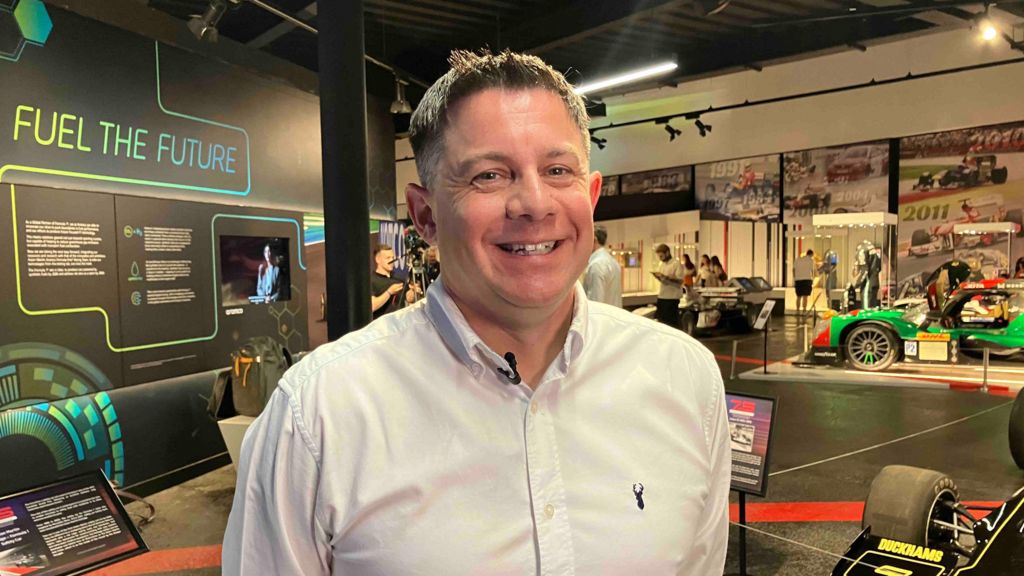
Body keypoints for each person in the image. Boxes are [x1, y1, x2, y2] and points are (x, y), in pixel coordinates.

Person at [223, 49, 729, 575]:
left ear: (591, 195)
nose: (534, 203)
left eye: (558, 170)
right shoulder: (318, 417)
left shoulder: (684, 380)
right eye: (489, 176)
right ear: (425, 215)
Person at [583, 225, 622, 307]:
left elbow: (595, 303)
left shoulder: (596, 266)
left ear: (594, 240)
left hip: (601, 318)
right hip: (612, 316)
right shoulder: (613, 262)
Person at [652, 243, 685, 327]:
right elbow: (663, 280)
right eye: (659, 257)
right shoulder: (662, 264)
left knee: (671, 323)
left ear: (667, 253)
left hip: (672, 297)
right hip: (662, 296)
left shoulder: (676, 264)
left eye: (661, 256)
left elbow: (680, 281)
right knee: (661, 321)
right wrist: (659, 277)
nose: (660, 259)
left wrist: (668, 278)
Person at [369, 243, 405, 319]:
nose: (392, 260)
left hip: (399, 326)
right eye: (388, 258)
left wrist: (412, 292)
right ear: (377, 259)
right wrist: (389, 292)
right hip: (381, 328)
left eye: (392, 257)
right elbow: (372, 306)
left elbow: (408, 298)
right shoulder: (371, 281)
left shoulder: (398, 279)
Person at [794, 249, 816, 317]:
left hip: (798, 280)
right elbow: (813, 271)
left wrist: (795, 278)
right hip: (807, 279)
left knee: (798, 296)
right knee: (805, 296)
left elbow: (793, 269)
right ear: (811, 254)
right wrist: (813, 278)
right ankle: (804, 311)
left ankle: (797, 311)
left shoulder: (798, 259)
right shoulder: (811, 261)